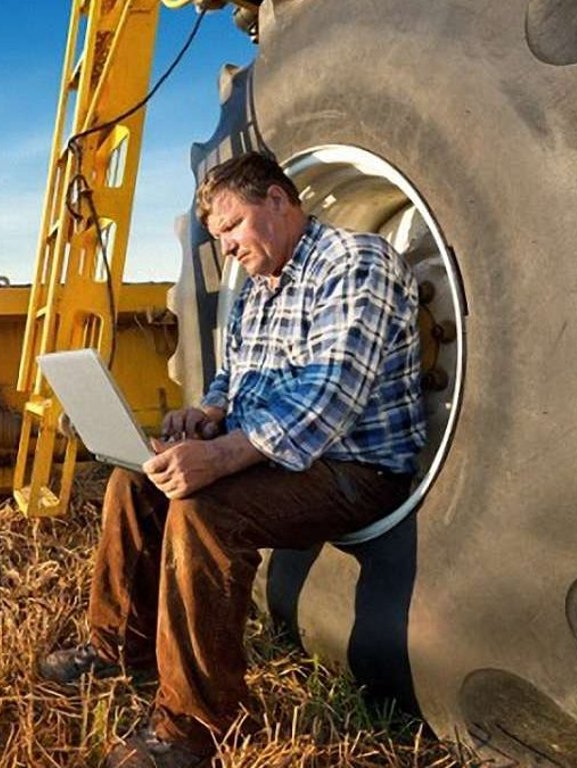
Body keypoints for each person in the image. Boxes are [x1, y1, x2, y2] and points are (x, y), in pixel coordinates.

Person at [38, 151, 428, 767]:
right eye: (217, 236)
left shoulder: (354, 262)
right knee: (133, 482)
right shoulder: (259, 289)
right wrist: (208, 414)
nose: (226, 249)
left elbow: (327, 400)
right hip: (284, 460)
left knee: (203, 510)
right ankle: (119, 648)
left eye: (232, 227)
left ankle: (198, 724)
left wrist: (219, 458)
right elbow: (236, 378)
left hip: (356, 469)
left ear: (278, 199)